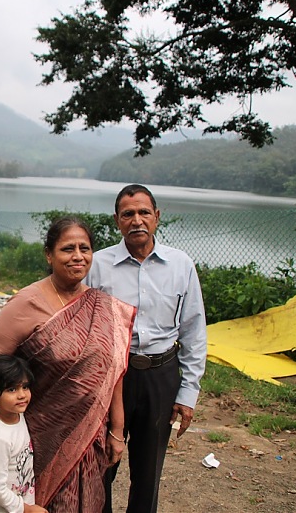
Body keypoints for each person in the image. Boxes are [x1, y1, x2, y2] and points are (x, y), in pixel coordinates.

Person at [0, 216, 136, 511]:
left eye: (84, 248)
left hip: (90, 438)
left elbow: (114, 374)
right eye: (67, 249)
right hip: (41, 438)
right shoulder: (26, 303)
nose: (77, 256)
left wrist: (117, 432)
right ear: (49, 254)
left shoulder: (104, 307)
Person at [85, 184, 207, 513]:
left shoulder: (180, 265)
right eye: (128, 214)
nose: (136, 220)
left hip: (160, 376)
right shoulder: (98, 265)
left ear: (157, 217)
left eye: (144, 212)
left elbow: (194, 331)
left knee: (148, 470)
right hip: (110, 378)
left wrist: (187, 393)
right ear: (117, 221)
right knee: (101, 464)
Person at [0, 354, 47, 513]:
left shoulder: (19, 417)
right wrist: (27, 509)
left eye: (25, 387)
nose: (21, 395)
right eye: (11, 389)